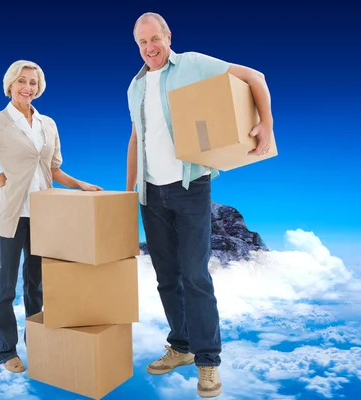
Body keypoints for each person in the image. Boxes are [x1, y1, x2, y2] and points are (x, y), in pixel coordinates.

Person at [126, 12, 274, 398]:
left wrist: (267, 123)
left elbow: (254, 76)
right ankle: (182, 347)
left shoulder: (192, 63)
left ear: (167, 36)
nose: (149, 48)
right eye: (142, 43)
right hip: (150, 193)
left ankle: (208, 362)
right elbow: (135, 138)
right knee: (166, 277)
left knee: (195, 276)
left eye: (154, 39)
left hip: (190, 186)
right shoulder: (135, 86)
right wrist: (129, 193)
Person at [0, 60, 103, 373]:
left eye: (33, 82)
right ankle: (7, 352)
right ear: (10, 85)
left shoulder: (48, 125)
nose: (27, 88)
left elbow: (53, 170)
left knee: (37, 287)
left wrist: (81, 184)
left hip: (44, 216)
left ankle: (38, 343)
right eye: (21, 81)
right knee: (6, 288)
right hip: (10, 217)